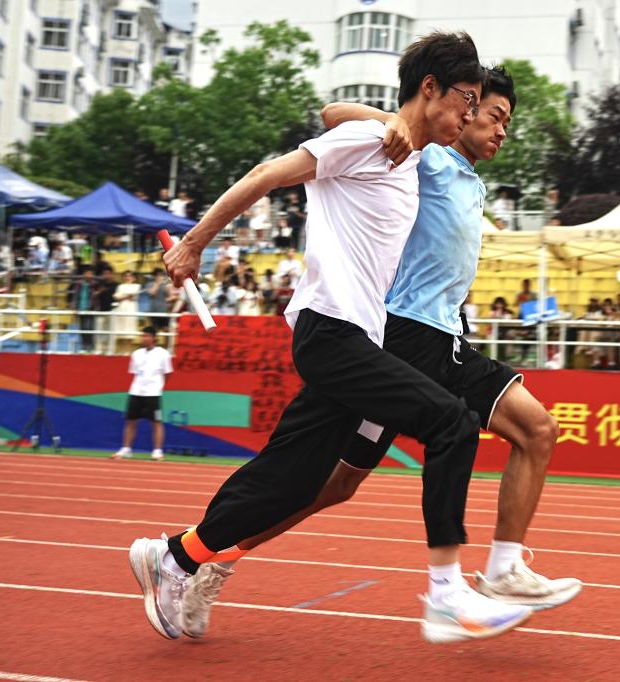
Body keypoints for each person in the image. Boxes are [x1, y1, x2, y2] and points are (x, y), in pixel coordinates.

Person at [128, 32, 530, 645]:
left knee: (296, 480)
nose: (472, 116)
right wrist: (193, 244)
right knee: (451, 421)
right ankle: (447, 593)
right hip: (330, 330)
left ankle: (175, 556)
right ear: (431, 89)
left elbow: (368, 119)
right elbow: (270, 172)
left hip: (361, 337)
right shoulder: (369, 140)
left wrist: (397, 126)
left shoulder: (413, 159)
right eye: (468, 101)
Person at [111, 326, 172, 461]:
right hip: (136, 391)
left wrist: (159, 387)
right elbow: (134, 373)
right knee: (131, 421)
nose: (145, 338)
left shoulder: (163, 354)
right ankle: (126, 449)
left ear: (154, 338)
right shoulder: (136, 354)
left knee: (156, 422)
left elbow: (167, 373)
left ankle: (157, 451)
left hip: (153, 394)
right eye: (143, 336)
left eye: (148, 336)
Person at [113, 271, 141, 340]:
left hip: (131, 308)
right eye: (126, 276)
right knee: (120, 329)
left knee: (130, 329)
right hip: (121, 308)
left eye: (130, 276)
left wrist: (123, 296)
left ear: (134, 278)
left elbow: (133, 297)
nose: (128, 278)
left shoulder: (137, 286)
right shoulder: (120, 286)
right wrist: (127, 296)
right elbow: (116, 297)